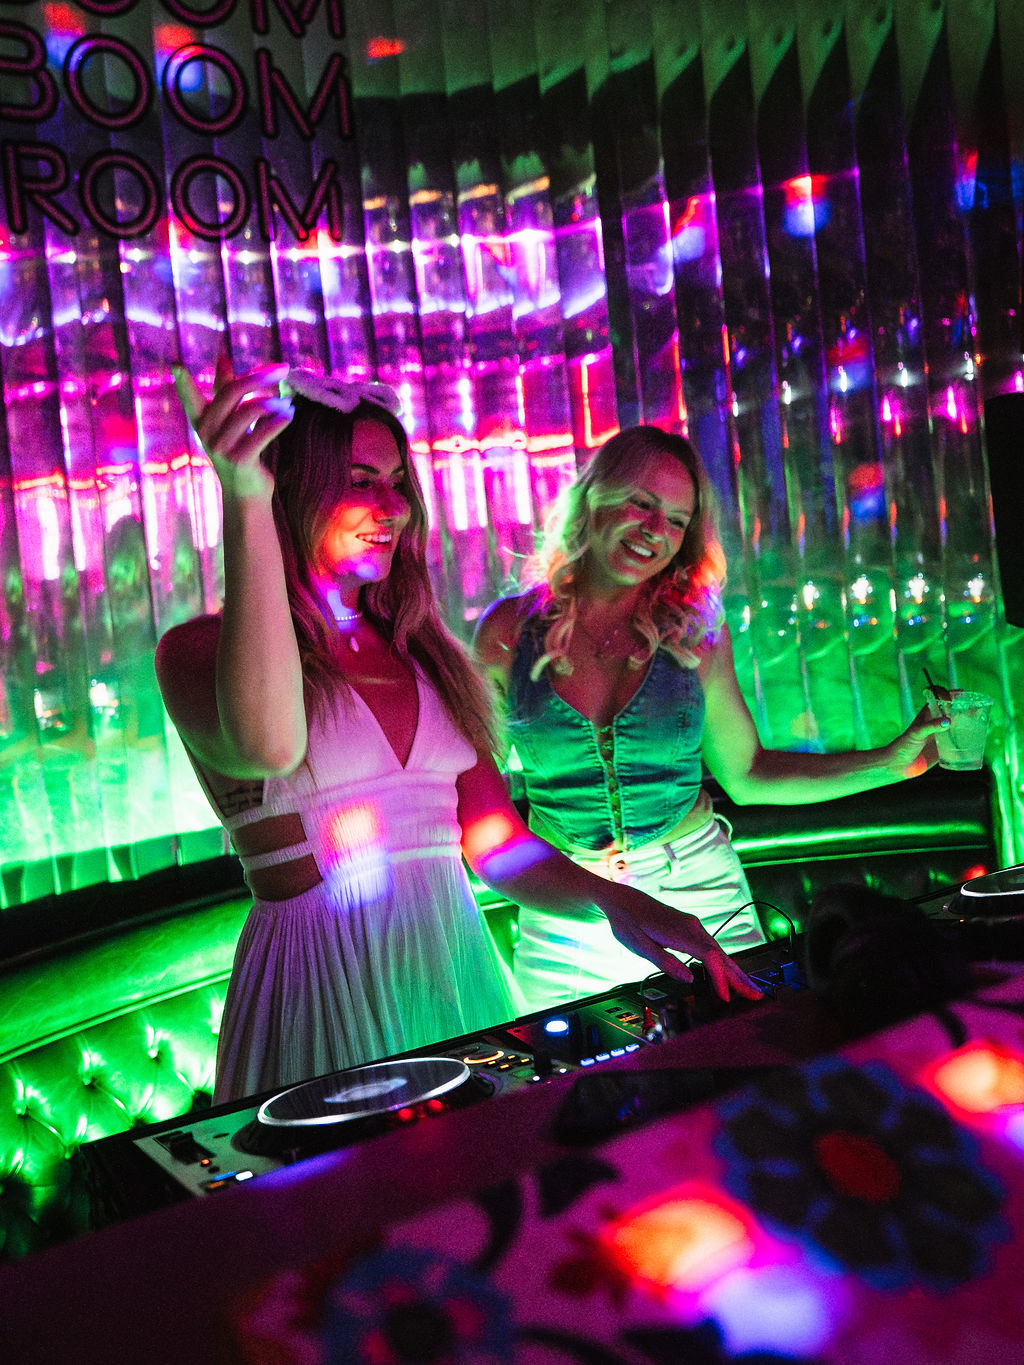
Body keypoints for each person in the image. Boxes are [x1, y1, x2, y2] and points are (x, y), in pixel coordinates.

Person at [156, 367, 760, 1103]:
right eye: (361, 482)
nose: (395, 508)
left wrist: (616, 903)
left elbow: (495, 842)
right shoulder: (196, 652)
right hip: (319, 990)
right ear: (293, 489)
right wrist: (247, 500)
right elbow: (271, 746)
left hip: (453, 970)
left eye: (398, 483)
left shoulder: (424, 652)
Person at [474, 425, 950, 1010]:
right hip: (567, 911)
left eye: (676, 520)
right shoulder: (507, 632)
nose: (656, 531)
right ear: (594, 497)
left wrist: (891, 764)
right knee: (576, 1064)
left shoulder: (693, 631)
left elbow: (747, 773)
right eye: (642, 504)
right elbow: (485, 821)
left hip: (700, 893)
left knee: (739, 1050)